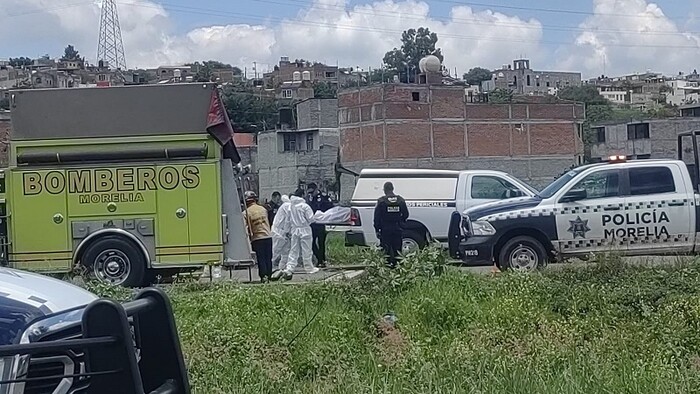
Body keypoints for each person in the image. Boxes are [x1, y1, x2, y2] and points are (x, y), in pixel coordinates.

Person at [279, 188, 318, 280]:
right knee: (306, 250)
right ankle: (309, 268)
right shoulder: (305, 206)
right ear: (303, 195)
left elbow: (288, 219)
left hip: (295, 230)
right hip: (305, 230)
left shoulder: (292, 206)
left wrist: (287, 230)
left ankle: (290, 267)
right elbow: (311, 219)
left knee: (294, 250)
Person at [373, 182, 409, 268]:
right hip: (397, 228)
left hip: (385, 230)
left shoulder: (381, 201)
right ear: (393, 189)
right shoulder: (400, 200)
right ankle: (398, 268)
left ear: (384, 190)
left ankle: (387, 268)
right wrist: (401, 222)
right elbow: (406, 214)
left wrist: (377, 230)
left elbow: (377, 217)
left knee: (386, 251)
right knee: (398, 250)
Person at [243, 191, 273, 282]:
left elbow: (244, 227)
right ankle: (269, 275)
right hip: (268, 236)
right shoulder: (263, 209)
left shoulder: (246, 213)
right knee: (268, 257)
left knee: (261, 258)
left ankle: (264, 277)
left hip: (257, 238)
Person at [306, 182, 333, 268]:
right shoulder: (309, 199)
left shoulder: (323, 198)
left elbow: (330, 209)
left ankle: (322, 260)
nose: (310, 194)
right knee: (312, 243)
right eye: (309, 192)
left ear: (316, 190)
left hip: (321, 224)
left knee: (321, 243)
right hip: (313, 225)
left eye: (312, 192)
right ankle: (319, 258)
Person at [270, 194, 292, 279]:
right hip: (279, 232)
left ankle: (281, 270)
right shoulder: (287, 206)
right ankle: (270, 269)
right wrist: (287, 231)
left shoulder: (286, 206)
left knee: (285, 252)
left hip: (281, 232)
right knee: (276, 251)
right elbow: (288, 220)